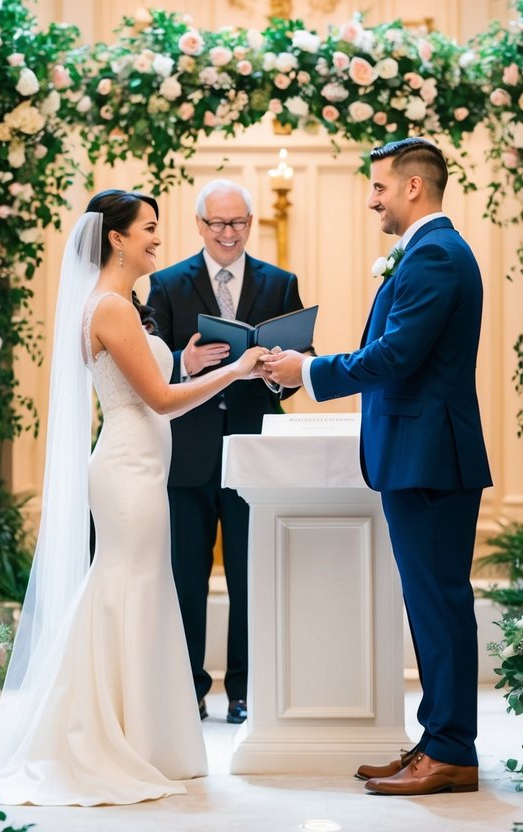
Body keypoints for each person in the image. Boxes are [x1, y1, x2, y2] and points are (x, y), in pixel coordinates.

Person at [0, 190, 267, 806]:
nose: (158, 239)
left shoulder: (119, 304)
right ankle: (107, 735)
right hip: (129, 468)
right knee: (125, 590)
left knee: (139, 590)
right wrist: (235, 371)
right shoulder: (110, 307)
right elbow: (159, 400)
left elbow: (152, 385)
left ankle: (142, 734)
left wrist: (189, 366)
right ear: (117, 238)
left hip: (140, 463)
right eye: (150, 229)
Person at [263, 138, 491, 796]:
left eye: (379, 186)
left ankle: (450, 751)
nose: (371, 198)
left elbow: (394, 356)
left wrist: (306, 369)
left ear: (413, 187)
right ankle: (435, 741)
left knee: (438, 604)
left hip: (428, 459)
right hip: (416, 454)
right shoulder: (427, 253)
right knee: (427, 604)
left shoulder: (437, 256)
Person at [147, 179, 304, 724]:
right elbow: (147, 360)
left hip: (255, 451)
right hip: (186, 451)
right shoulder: (166, 284)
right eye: (218, 223)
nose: (228, 233)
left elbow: (298, 369)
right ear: (199, 226)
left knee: (249, 576)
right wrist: (181, 361)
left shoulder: (281, 283)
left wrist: (283, 373)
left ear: (250, 223)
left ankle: (243, 689)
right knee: (185, 577)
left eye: (238, 222)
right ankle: (187, 686)